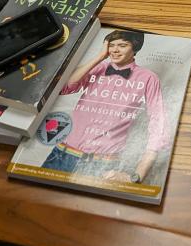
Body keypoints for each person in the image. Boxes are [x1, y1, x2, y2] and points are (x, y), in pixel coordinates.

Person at [41, 29, 167, 185]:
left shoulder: (148, 78)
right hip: (61, 155)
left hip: (103, 165)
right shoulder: (98, 68)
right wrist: (99, 58)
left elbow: (158, 122)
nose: (114, 50)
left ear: (135, 48)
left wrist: (137, 176)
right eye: (111, 45)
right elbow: (65, 88)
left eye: (122, 45)